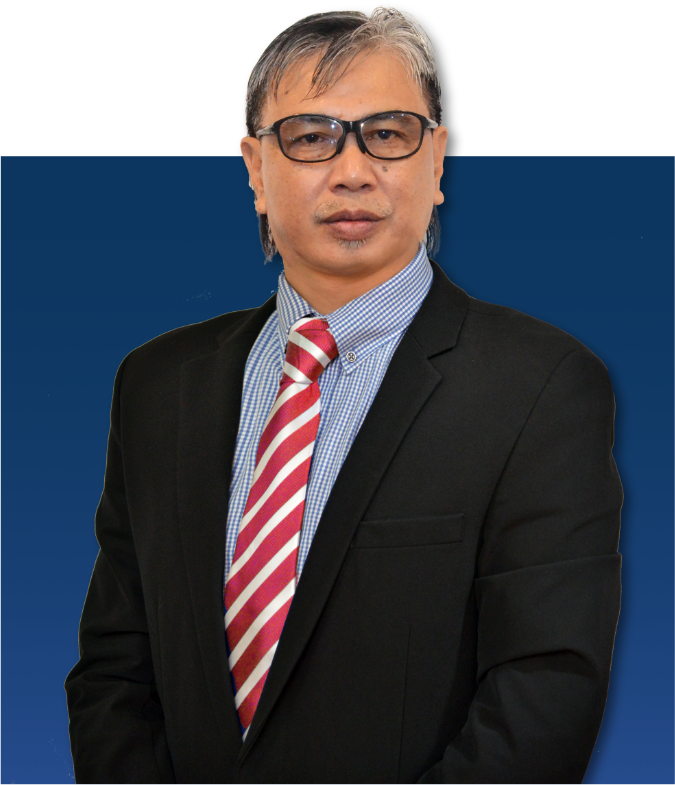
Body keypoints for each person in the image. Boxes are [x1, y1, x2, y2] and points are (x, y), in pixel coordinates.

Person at [65, 6, 622, 784]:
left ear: (437, 161)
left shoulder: (542, 385)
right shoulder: (157, 385)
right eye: (310, 137)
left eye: (387, 134)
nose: (352, 171)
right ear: (255, 168)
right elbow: (114, 667)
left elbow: (544, 690)